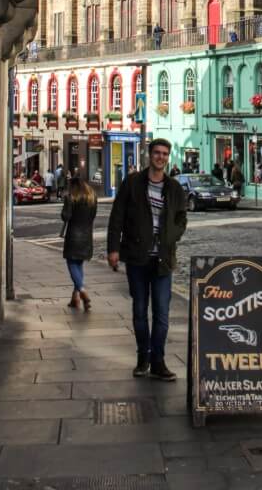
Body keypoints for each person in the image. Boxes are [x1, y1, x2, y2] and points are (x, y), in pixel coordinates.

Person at [107, 137, 187, 381]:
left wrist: (168, 237)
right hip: (137, 258)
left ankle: (158, 361)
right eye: (157, 153)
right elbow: (116, 217)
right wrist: (113, 249)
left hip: (163, 259)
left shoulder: (174, 188)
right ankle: (143, 357)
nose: (160, 157)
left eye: (165, 154)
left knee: (162, 314)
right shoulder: (132, 183)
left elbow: (181, 220)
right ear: (149, 155)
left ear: (168, 157)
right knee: (140, 311)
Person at [61, 176, 98, 311]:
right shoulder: (92, 197)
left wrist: (66, 203)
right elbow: (93, 216)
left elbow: (66, 216)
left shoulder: (71, 197)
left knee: (72, 263)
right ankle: (75, 298)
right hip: (87, 236)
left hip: (73, 236)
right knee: (79, 265)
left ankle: (82, 290)